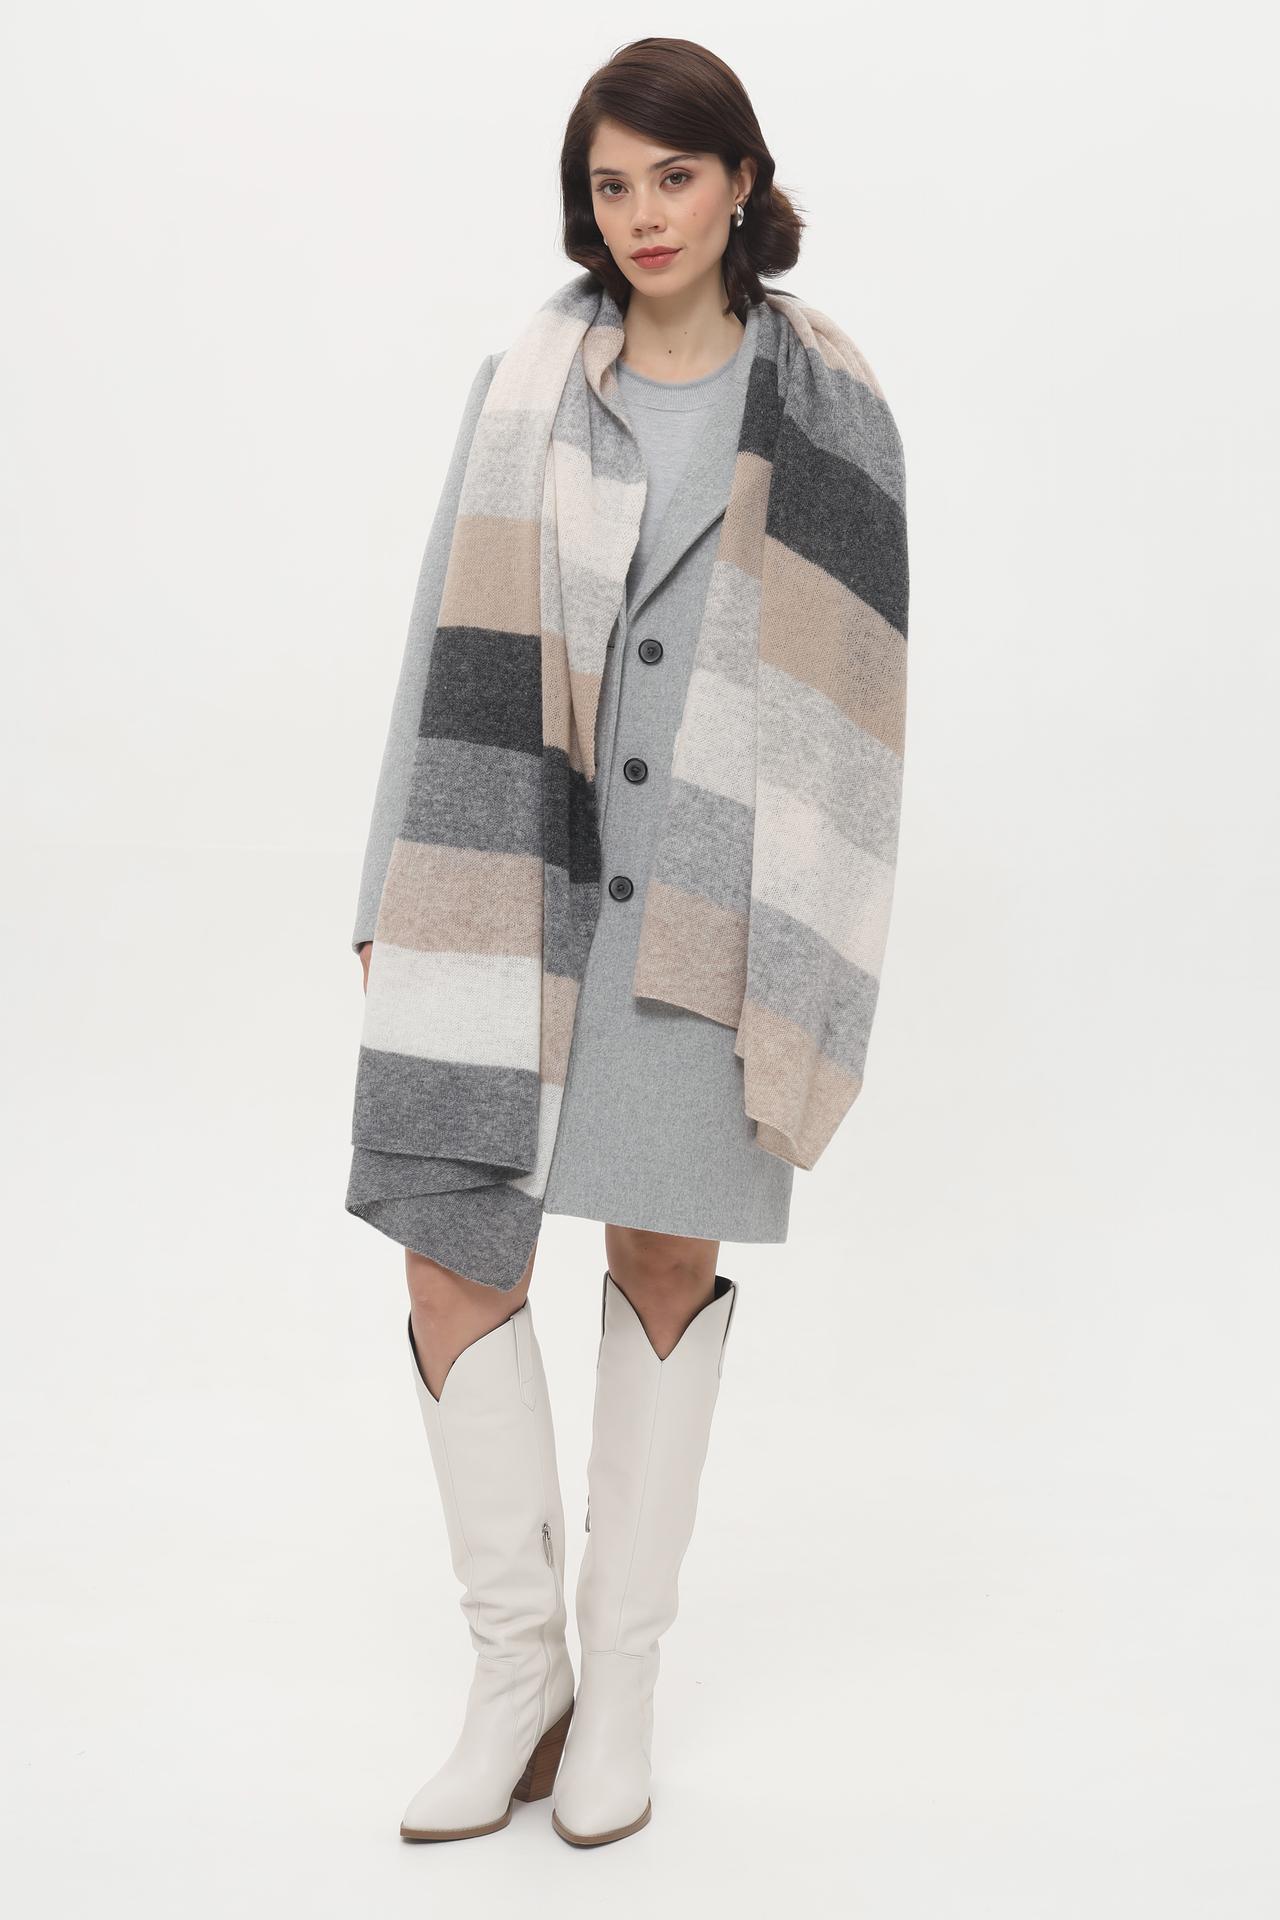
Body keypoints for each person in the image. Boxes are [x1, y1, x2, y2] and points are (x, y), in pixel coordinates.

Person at [345, 35, 909, 1848]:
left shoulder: (833, 412)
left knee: (663, 1254)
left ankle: (625, 1683)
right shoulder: (520, 382)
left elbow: (859, 707)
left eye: (675, 175)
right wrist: (384, 894)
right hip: (501, 874)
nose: (644, 214)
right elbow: (438, 642)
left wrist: (811, 942)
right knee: (451, 1248)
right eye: (612, 184)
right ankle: (517, 1677)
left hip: (711, 903)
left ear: (741, 180)